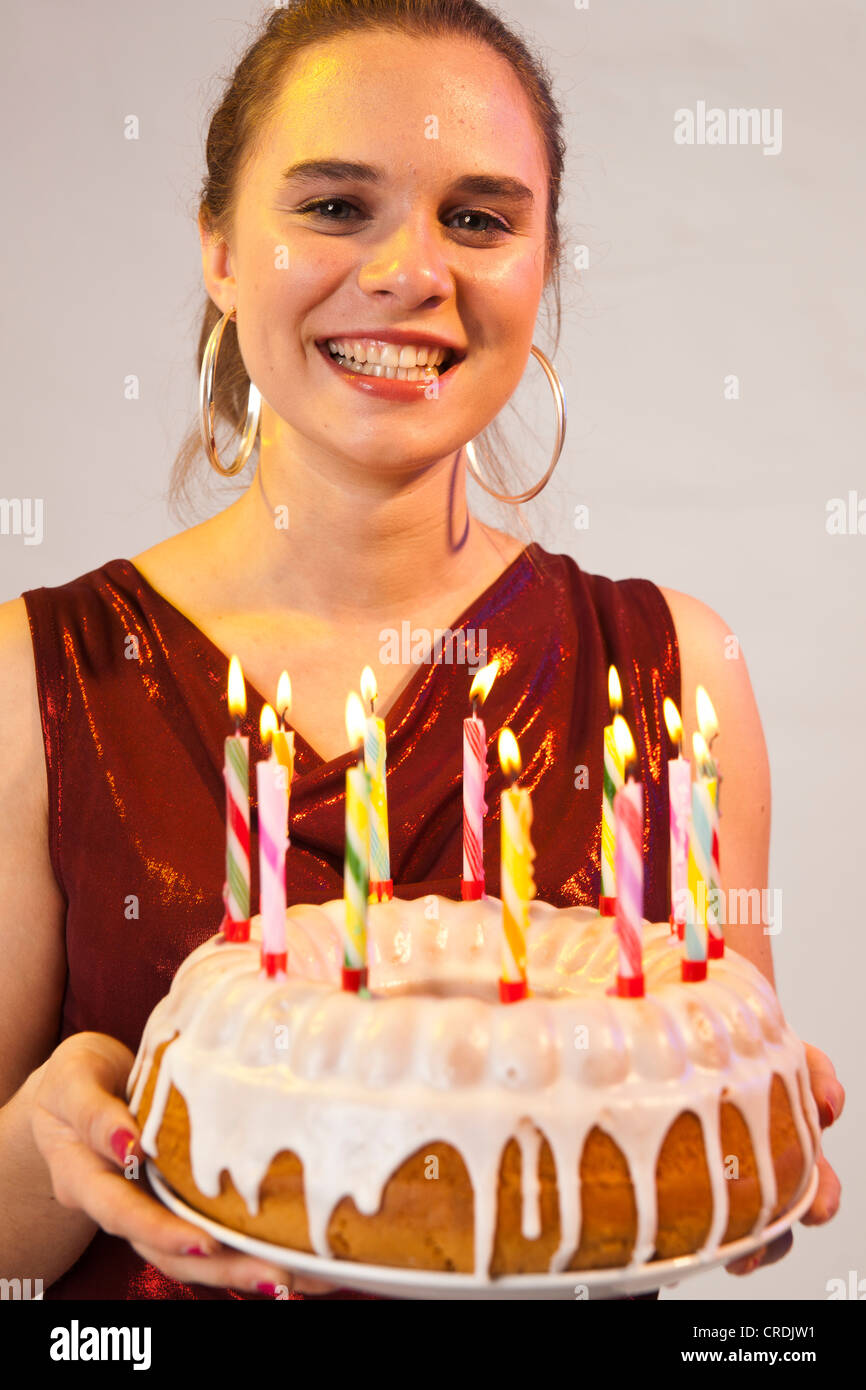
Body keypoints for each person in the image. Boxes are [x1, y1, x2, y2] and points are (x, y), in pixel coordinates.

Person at [0, 0, 842, 1301]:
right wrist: (45, 1142)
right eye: (335, 207)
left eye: (478, 217)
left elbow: (714, 1140)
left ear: (543, 263)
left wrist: (756, 1147)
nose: (409, 270)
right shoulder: (40, 676)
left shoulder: (675, 666)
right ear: (220, 247)